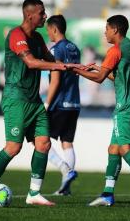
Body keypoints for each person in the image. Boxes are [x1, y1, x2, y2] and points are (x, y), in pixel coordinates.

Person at [0, 0, 66, 206]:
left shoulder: (37, 38)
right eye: (42, 13)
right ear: (30, 15)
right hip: (16, 99)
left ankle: (34, 194)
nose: (45, 16)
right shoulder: (16, 35)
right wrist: (61, 67)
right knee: (13, 147)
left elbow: (52, 61)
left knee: (43, 143)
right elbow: (31, 62)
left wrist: (75, 67)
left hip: (34, 101)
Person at [70, 15, 130, 209]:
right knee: (113, 149)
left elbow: (99, 79)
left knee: (125, 149)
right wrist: (98, 67)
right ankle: (107, 195)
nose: (105, 32)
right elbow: (120, 76)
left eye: (107, 28)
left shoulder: (115, 50)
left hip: (125, 107)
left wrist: (76, 70)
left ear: (115, 30)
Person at [45, 15, 80, 195]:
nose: (47, 33)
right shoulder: (75, 48)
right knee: (67, 142)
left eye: (48, 29)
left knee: (40, 139)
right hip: (74, 102)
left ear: (54, 29)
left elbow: (55, 80)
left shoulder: (55, 50)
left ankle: (64, 169)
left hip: (59, 104)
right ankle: (65, 187)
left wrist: (47, 103)